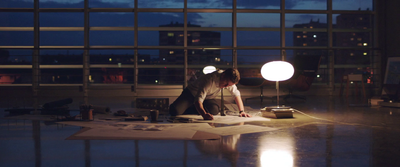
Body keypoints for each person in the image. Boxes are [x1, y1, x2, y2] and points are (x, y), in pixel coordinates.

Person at [169, 68, 251, 120]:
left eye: (229, 85)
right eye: (226, 84)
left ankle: (196, 108)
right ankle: (192, 106)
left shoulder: (228, 80)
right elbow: (199, 99)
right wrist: (204, 114)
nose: (226, 87)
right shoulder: (209, 80)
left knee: (214, 110)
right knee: (175, 111)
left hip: (207, 98)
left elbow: (236, 94)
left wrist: (241, 111)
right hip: (190, 94)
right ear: (223, 76)